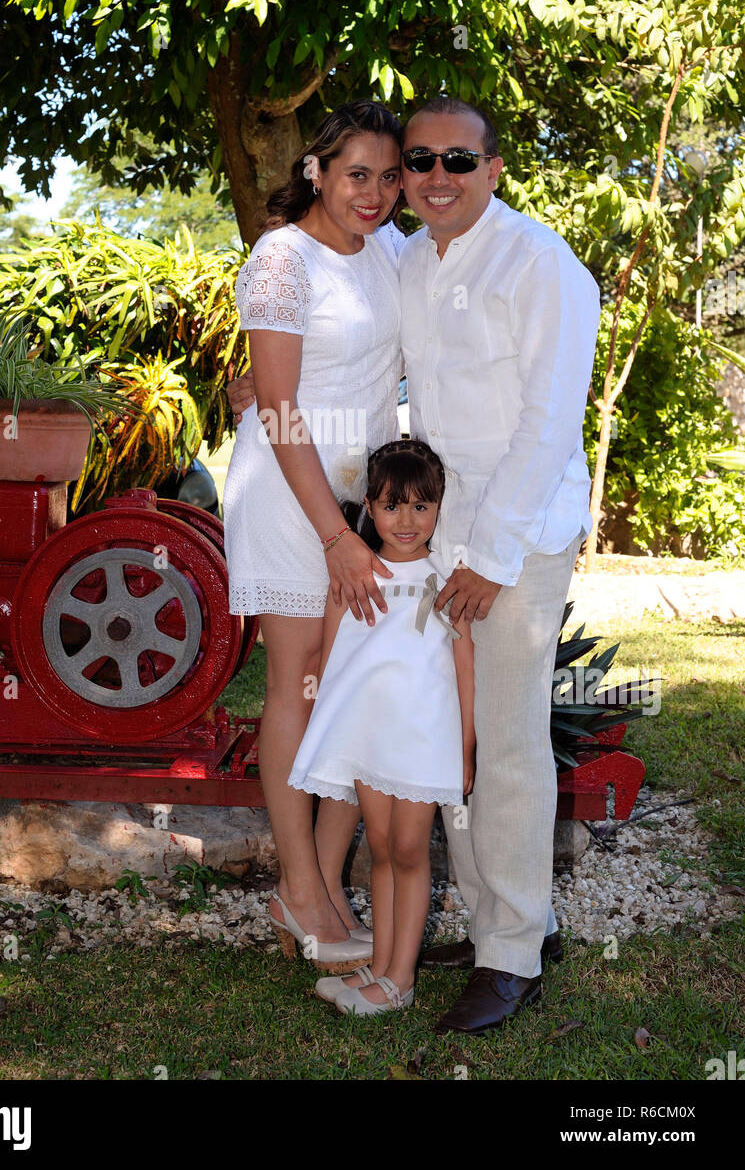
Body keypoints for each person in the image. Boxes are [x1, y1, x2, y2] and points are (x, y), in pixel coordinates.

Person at [229, 95, 601, 1032]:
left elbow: (549, 425)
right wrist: (261, 391)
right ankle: (482, 920)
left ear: (494, 169)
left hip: (495, 534)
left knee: (501, 740)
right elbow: (310, 372)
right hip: (399, 528)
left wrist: (487, 552)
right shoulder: (416, 256)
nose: (427, 179)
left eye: (451, 163)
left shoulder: (538, 265)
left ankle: (511, 950)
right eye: (413, 163)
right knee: (423, 728)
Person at [222, 100, 406, 972]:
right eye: (356, 174)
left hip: (362, 500)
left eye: (388, 175)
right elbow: (279, 403)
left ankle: (325, 887)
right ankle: (298, 888)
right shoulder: (280, 259)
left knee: (354, 691)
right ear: (317, 174)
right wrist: (334, 536)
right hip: (294, 499)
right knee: (297, 689)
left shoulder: (391, 251)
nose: (373, 193)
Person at [288, 439, 475, 1017]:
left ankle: (401, 978)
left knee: (412, 848)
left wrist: (466, 745)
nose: (407, 520)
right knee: (384, 849)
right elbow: (332, 652)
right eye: (392, 506)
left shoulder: (446, 581)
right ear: (370, 505)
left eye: (422, 506)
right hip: (369, 735)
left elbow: (465, 667)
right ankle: (383, 964)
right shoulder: (358, 572)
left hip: (423, 738)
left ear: (440, 509)